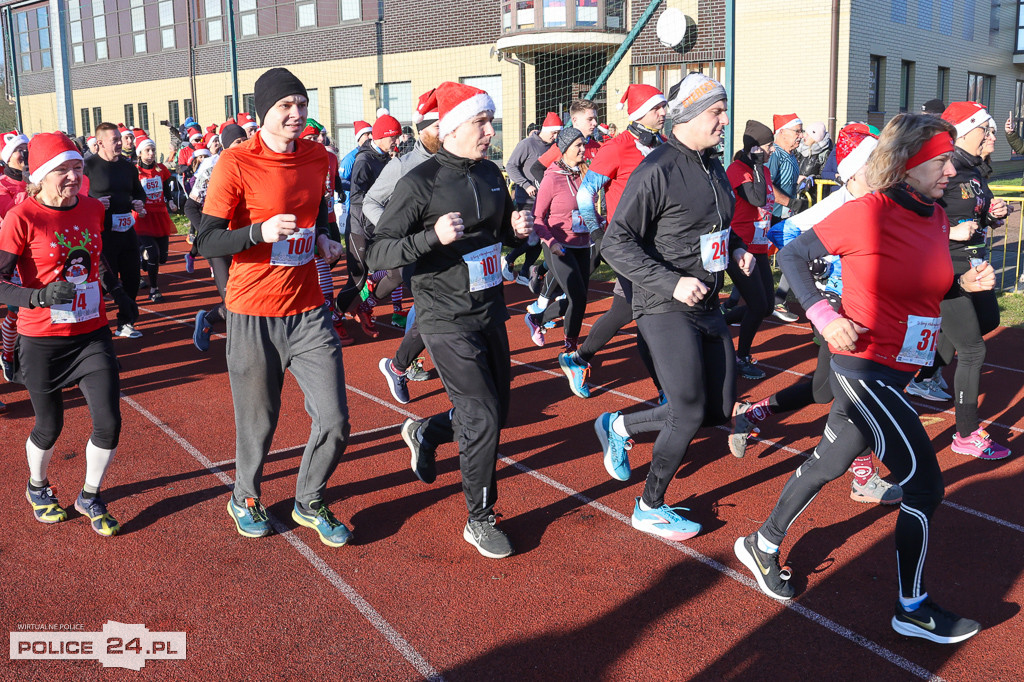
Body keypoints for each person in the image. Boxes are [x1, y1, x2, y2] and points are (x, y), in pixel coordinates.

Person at [734, 113, 991, 644]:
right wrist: (824, 316)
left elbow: (927, 288)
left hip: (899, 369)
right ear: (909, 162)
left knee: (829, 460)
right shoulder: (867, 212)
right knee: (924, 484)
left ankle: (762, 543)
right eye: (940, 160)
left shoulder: (936, 217)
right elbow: (794, 254)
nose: (950, 169)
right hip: (862, 365)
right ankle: (911, 608)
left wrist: (964, 282)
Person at [366, 81, 533, 559]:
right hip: (442, 315)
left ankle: (428, 432)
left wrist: (519, 233)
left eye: (489, 121)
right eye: (481, 122)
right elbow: (380, 250)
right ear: (454, 127)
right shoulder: (420, 182)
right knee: (480, 417)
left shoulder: (492, 175)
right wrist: (430, 239)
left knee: (497, 412)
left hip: (488, 309)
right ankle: (480, 518)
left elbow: (500, 240)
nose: (489, 129)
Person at [196, 67, 352, 547]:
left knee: (336, 419)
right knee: (259, 422)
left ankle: (309, 499)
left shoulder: (318, 157)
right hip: (251, 311)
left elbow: (321, 214)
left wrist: (326, 240)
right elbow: (206, 240)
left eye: (301, 104)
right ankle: (244, 495)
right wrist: (257, 233)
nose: (296, 114)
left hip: (308, 309)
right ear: (264, 112)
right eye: (285, 106)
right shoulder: (235, 163)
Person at [599, 73, 753, 541]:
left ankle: (619, 424)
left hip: (706, 299)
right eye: (716, 113)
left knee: (717, 408)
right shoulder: (657, 170)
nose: (725, 121)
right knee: (685, 409)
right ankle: (650, 504)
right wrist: (671, 282)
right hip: (662, 303)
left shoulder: (711, 165)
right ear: (686, 115)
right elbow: (615, 243)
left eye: (724, 111)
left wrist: (740, 247)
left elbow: (716, 225)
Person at [731, 123, 903, 505]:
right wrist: (822, 272)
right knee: (856, 393)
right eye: (878, 162)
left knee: (824, 390)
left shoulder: (881, 203)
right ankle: (862, 475)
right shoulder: (835, 206)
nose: (887, 170)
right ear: (857, 170)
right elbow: (783, 238)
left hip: (869, 310)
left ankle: (753, 413)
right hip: (839, 313)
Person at [0, 132, 139, 536]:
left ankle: (90, 495)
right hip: (41, 339)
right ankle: (37, 486)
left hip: (91, 334)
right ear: (40, 176)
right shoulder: (21, 217)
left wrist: (118, 295)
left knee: (109, 422)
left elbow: (98, 261)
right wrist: (38, 295)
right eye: (63, 169)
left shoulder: (94, 209)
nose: (73, 176)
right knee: (50, 425)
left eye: (78, 168)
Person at [906, 102, 1010, 459]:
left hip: (973, 262)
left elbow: (976, 213)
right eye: (988, 130)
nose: (993, 137)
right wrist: (952, 230)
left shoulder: (976, 170)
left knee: (990, 320)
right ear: (965, 132)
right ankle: (966, 434)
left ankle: (921, 372)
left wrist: (995, 216)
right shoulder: (941, 167)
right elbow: (916, 215)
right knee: (973, 350)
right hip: (945, 266)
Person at [558, 84, 667, 400]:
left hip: (658, 245)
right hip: (626, 246)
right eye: (656, 107)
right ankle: (665, 391)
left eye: (663, 106)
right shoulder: (616, 148)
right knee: (649, 315)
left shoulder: (662, 145)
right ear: (639, 112)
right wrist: (598, 235)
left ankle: (578, 359)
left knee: (626, 308)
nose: (663, 112)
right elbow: (585, 193)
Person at [366, 88, 444, 405]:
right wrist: (394, 232)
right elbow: (371, 201)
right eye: (439, 125)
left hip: (451, 249)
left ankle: (405, 361)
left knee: (437, 311)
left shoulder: (456, 161)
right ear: (422, 128)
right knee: (431, 310)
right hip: (416, 252)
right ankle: (403, 364)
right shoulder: (403, 165)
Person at [523, 127, 592, 354]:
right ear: (564, 149)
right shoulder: (552, 178)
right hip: (558, 247)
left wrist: (602, 223)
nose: (583, 149)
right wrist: (551, 242)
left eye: (583, 144)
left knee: (578, 298)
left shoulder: (584, 174)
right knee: (578, 298)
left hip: (582, 243)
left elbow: (587, 209)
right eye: (578, 146)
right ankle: (570, 349)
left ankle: (537, 319)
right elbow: (538, 218)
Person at [335, 114, 402, 337]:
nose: (397, 141)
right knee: (357, 278)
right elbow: (357, 198)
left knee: (398, 271)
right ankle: (334, 316)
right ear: (381, 137)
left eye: (398, 137)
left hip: (380, 226)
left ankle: (366, 304)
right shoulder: (364, 160)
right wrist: (377, 216)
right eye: (394, 137)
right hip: (360, 227)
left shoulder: (388, 159)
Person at [722, 120, 776, 381]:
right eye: (769, 145)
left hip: (760, 245)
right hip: (739, 247)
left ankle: (718, 322)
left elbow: (766, 204)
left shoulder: (762, 169)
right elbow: (755, 198)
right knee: (756, 305)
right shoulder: (737, 169)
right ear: (755, 148)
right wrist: (755, 164)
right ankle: (741, 357)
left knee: (766, 307)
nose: (772, 149)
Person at [186, 123, 248, 352]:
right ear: (224, 147)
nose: (243, 146)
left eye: (245, 141)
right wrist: (209, 234)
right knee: (232, 298)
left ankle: (210, 319)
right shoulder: (212, 167)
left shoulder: (253, 163)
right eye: (237, 143)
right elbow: (190, 206)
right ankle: (239, 348)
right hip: (220, 243)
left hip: (245, 240)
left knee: (247, 295)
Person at [84, 122, 147, 338]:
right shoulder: (88, 166)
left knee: (131, 277)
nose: (120, 143)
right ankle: (95, 324)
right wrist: (95, 203)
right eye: (115, 140)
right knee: (103, 283)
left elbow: (139, 193)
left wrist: (138, 203)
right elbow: (79, 198)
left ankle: (125, 322)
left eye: (120, 139)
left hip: (127, 230)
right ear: (100, 142)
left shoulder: (129, 167)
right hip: (101, 234)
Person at [503, 112, 560, 283]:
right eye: (554, 133)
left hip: (545, 200)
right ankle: (509, 259)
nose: (555, 136)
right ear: (545, 129)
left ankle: (523, 272)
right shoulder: (527, 144)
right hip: (527, 199)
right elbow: (511, 166)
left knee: (539, 239)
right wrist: (525, 184)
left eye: (558, 133)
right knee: (533, 237)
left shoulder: (554, 146)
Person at [0, 129, 29, 411]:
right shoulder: (2, 185)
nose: (25, 154)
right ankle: (8, 354)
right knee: (18, 309)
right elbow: (11, 214)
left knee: (25, 310)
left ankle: (13, 354)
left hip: (33, 254)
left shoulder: (33, 180)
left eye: (27, 149)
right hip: (8, 257)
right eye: (20, 150)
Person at [768, 113, 805, 323]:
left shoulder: (791, 155)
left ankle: (777, 299)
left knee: (793, 256)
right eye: (797, 131)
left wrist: (801, 182)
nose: (800, 136)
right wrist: (789, 202)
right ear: (782, 132)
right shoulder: (775, 154)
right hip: (772, 217)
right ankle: (731, 305)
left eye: (801, 131)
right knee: (758, 259)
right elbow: (767, 184)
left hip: (785, 216)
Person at [132, 133, 175, 302]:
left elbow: (166, 189)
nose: (151, 154)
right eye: (147, 150)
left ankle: (143, 257)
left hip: (160, 216)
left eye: (153, 150)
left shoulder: (161, 170)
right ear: (140, 153)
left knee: (162, 257)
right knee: (154, 254)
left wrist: (170, 201)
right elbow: (131, 192)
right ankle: (154, 289)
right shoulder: (135, 172)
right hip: (143, 217)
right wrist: (136, 205)